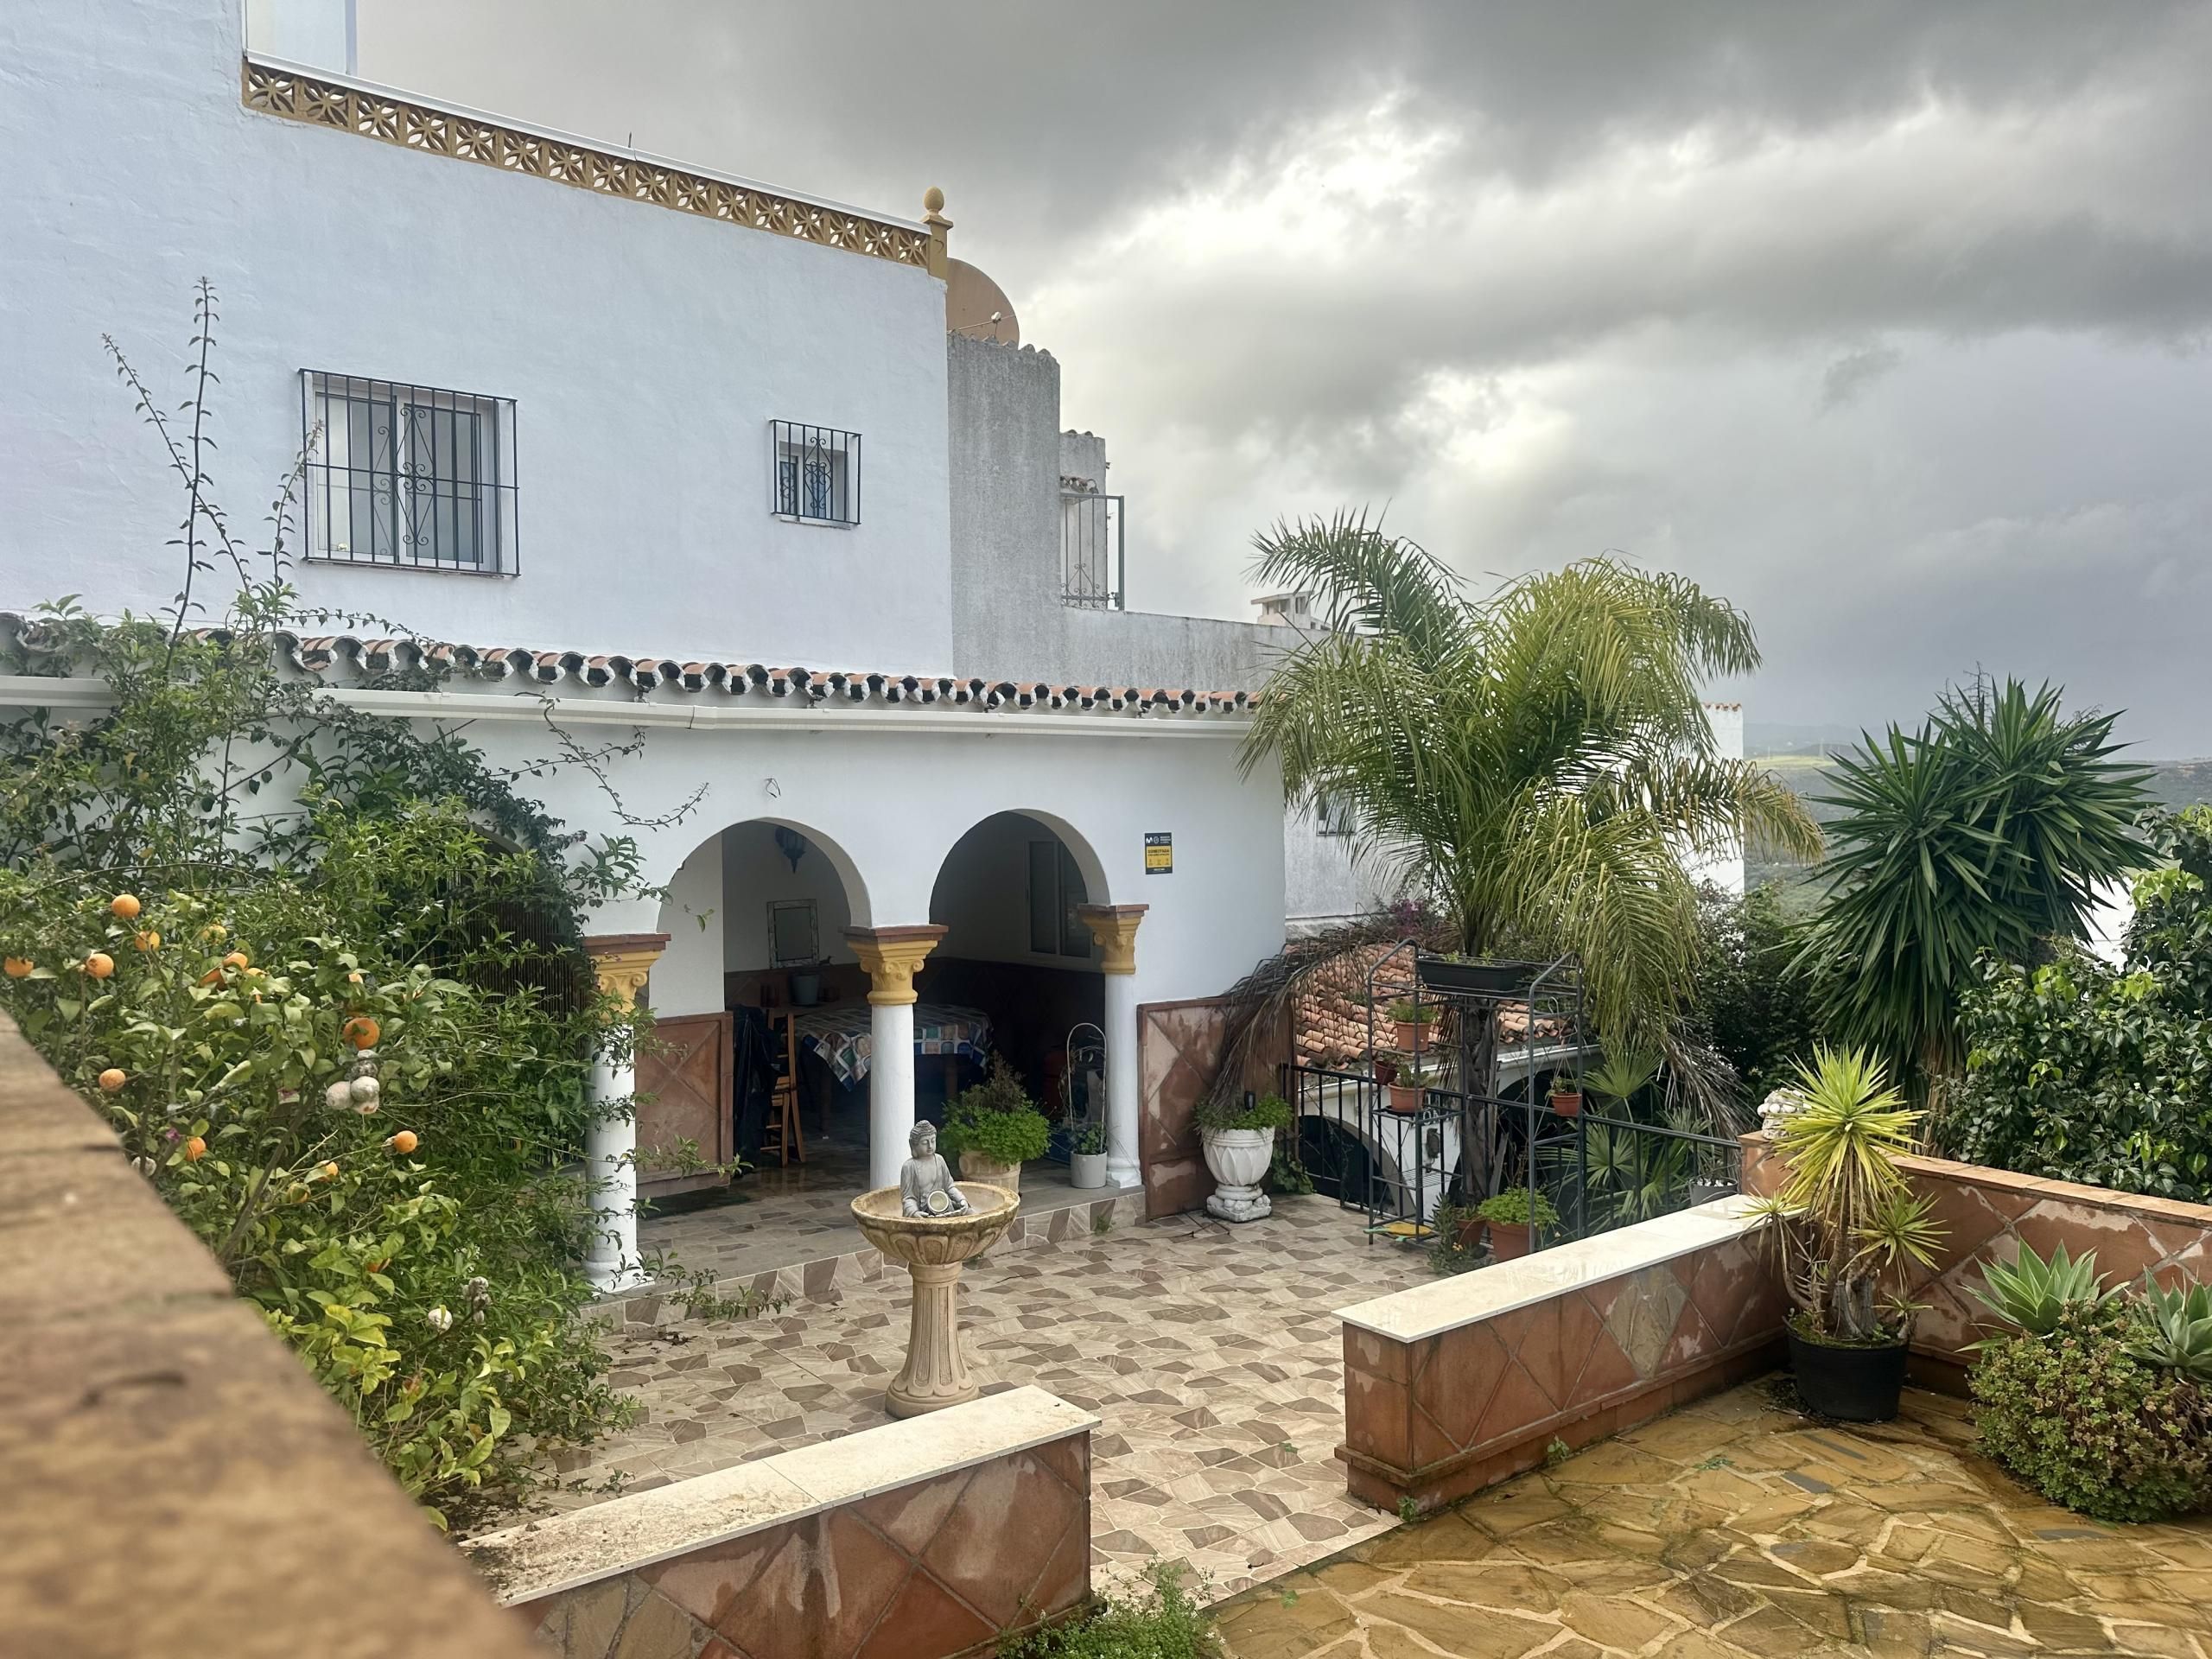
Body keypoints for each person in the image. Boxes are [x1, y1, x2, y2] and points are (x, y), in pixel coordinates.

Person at [899, 1119, 969, 1217]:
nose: (930, 1146)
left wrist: (961, 1200)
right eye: (924, 1143)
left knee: (971, 1213)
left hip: (945, 1206)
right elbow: (908, 1197)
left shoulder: (939, 1160)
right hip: (924, 1212)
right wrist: (914, 1212)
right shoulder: (909, 1167)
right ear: (914, 1145)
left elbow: (949, 1186)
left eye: (933, 1141)